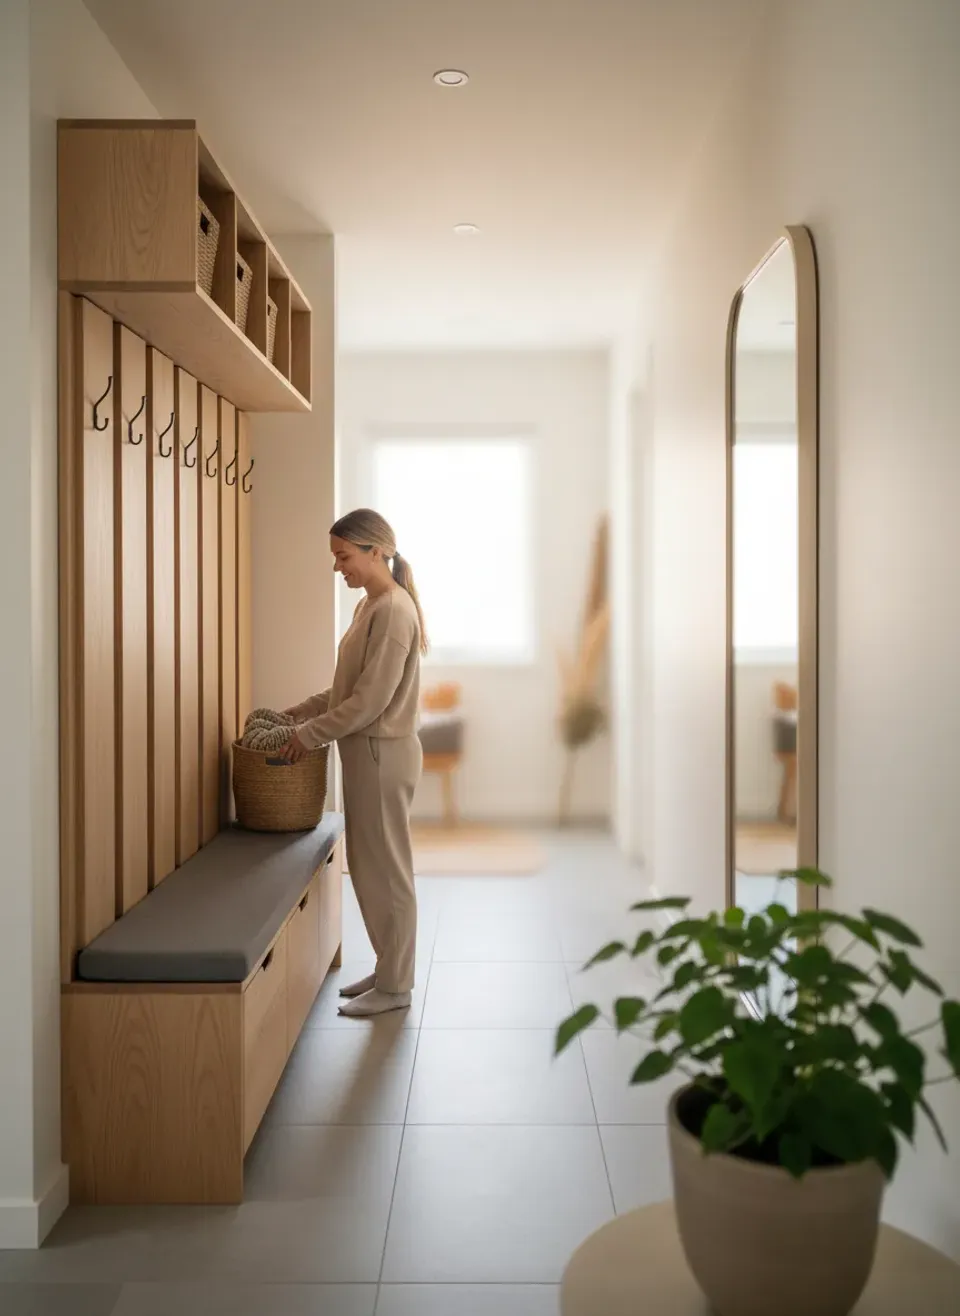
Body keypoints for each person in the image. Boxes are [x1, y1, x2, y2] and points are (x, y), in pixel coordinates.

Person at [280, 509, 426, 1018]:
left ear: (376, 551)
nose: (338, 567)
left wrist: (307, 735)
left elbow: (370, 704)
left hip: (382, 754)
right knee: (368, 867)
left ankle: (398, 985)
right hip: (367, 754)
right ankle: (389, 970)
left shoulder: (392, 612)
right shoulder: (370, 607)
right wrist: (304, 709)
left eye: (344, 557)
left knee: (388, 871)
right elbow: (350, 688)